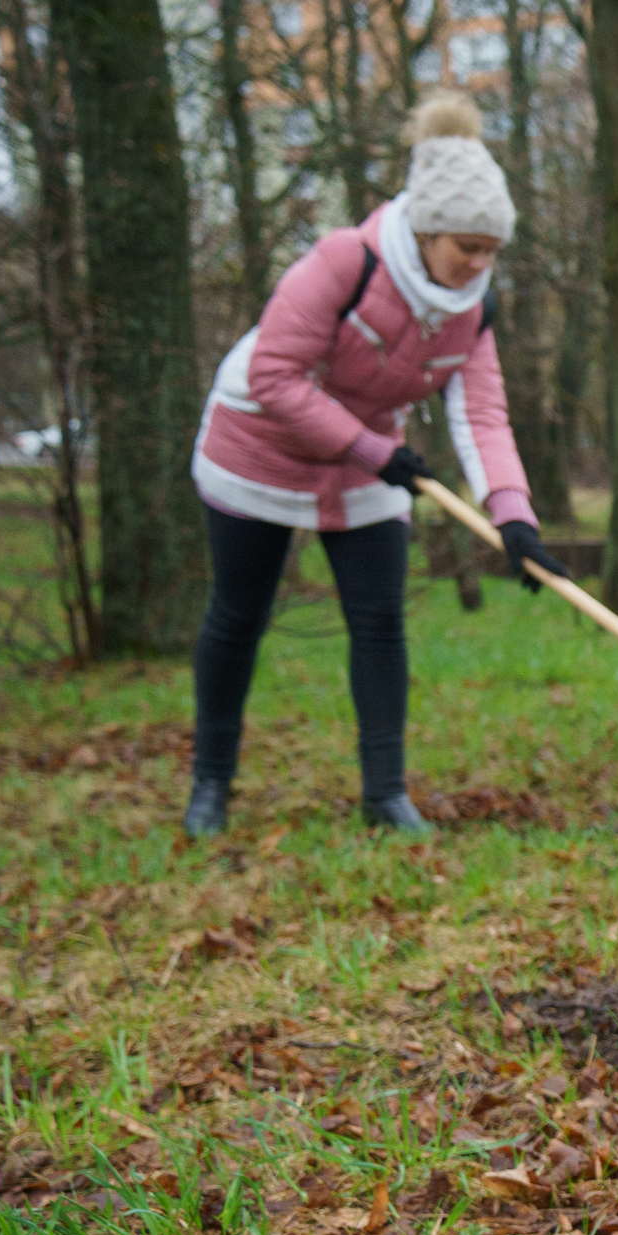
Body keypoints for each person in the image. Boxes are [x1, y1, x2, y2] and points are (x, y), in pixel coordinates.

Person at [183, 91, 561, 839]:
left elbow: (481, 415)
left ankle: (386, 794)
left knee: (381, 622)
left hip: (371, 466)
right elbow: (275, 376)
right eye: (467, 248)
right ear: (426, 231)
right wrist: (374, 450)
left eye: (492, 250)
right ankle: (211, 788)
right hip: (260, 447)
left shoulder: (472, 308)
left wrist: (513, 517)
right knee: (238, 617)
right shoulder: (342, 261)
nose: (479, 264)